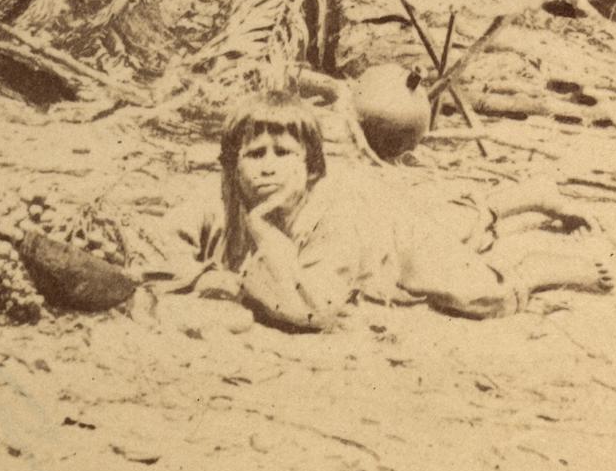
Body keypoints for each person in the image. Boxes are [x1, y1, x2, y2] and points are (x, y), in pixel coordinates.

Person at [149, 100, 510, 333]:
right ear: (231, 166)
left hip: (384, 241)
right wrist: (205, 277)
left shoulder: (332, 216)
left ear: (309, 168)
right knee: (455, 223)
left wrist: (261, 229)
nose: (268, 167)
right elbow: (156, 247)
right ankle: (511, 204)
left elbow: (311, 311)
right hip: (374, 214)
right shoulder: (217, 196)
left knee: (479, 294)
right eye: (255, 154)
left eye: (284, 153)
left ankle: (542, 261)